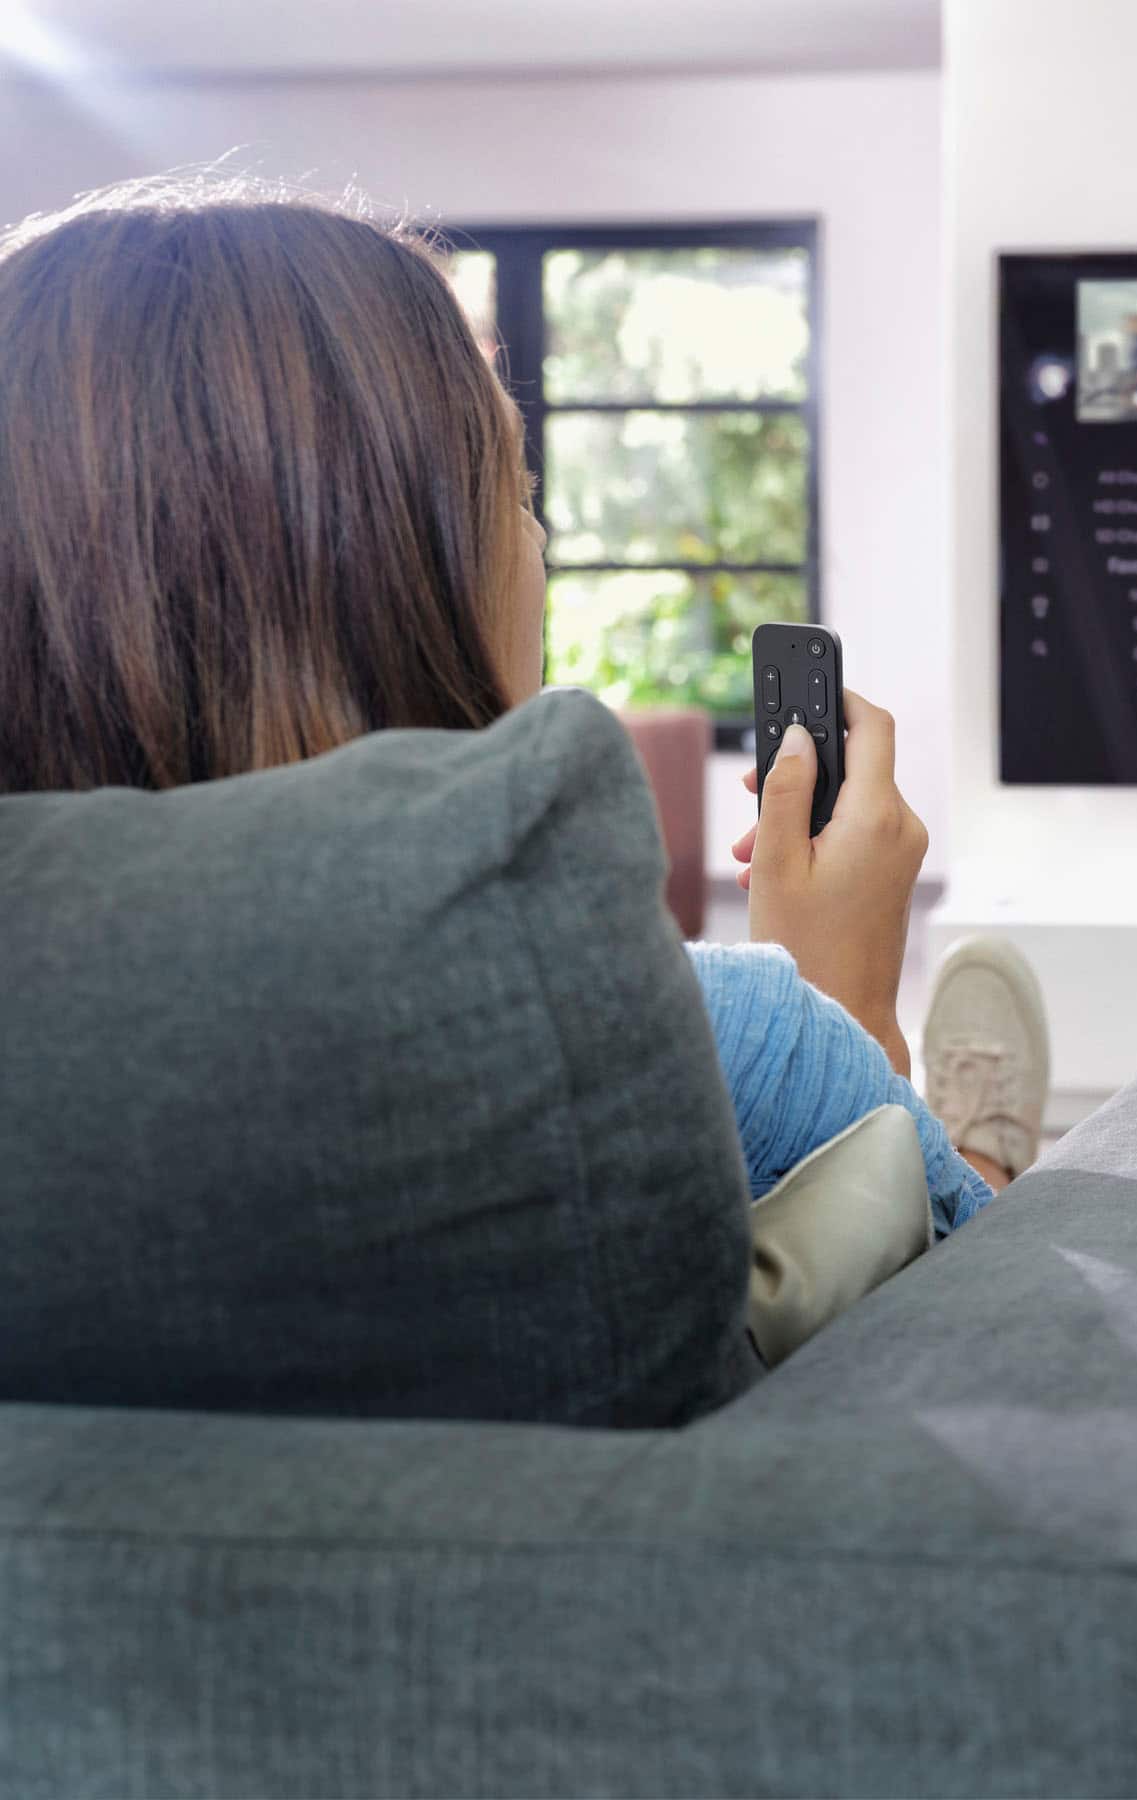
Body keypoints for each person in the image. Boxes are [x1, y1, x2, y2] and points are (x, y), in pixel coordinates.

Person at [0, 177, 1050, 1248]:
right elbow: (1002, 1321)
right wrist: (840, 1016)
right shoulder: (688, 1038)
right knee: (951, 1179)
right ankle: (975, 1144)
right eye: (515, 487)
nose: (536, 543)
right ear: (401, 579)